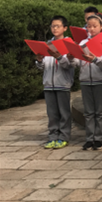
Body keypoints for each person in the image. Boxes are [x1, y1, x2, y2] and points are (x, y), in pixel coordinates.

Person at [68, 15, 102, 151]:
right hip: (85, 80)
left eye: (94, 26)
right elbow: (78, 63)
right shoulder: (82, 43)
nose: (91, 29)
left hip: (100, 80)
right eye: (89, 26)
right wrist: (71, 58)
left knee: (100, 111)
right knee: (88, 111)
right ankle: (89, 137)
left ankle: (99, 138)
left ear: (101, 26)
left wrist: (94, 59)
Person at [35, 16, 75, 149]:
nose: (55, 28)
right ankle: (52, 136)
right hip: (48, 84)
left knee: (64, 112)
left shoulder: (69, 44)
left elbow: (70, 65)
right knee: (52, 113)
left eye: (58, 26)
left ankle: (63, 136)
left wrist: (59, 57)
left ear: (65, 28)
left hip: (63, 83)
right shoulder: (47, 44)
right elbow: (42, 67)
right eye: (53, 26)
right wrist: (40, 60)